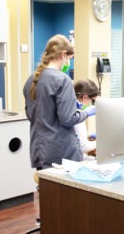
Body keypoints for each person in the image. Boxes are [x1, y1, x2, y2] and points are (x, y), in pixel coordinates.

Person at [22, 34, 93, 169]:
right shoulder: (63, 80)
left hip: (39, 150)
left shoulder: (31, 80)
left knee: (45, 182)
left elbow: (31, 114)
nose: (68, 63)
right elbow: (68, 119)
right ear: (63, 55)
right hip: (61, 153)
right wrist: (86, 113)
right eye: (70, 59)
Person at [73, 78, 99, 158]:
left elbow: (73, 132)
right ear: (85, 97)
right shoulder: (78, 115)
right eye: (92, 101)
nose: (91, 103)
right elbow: (83, 147)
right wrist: (103, 141)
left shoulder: (70, 108)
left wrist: (89, 135)